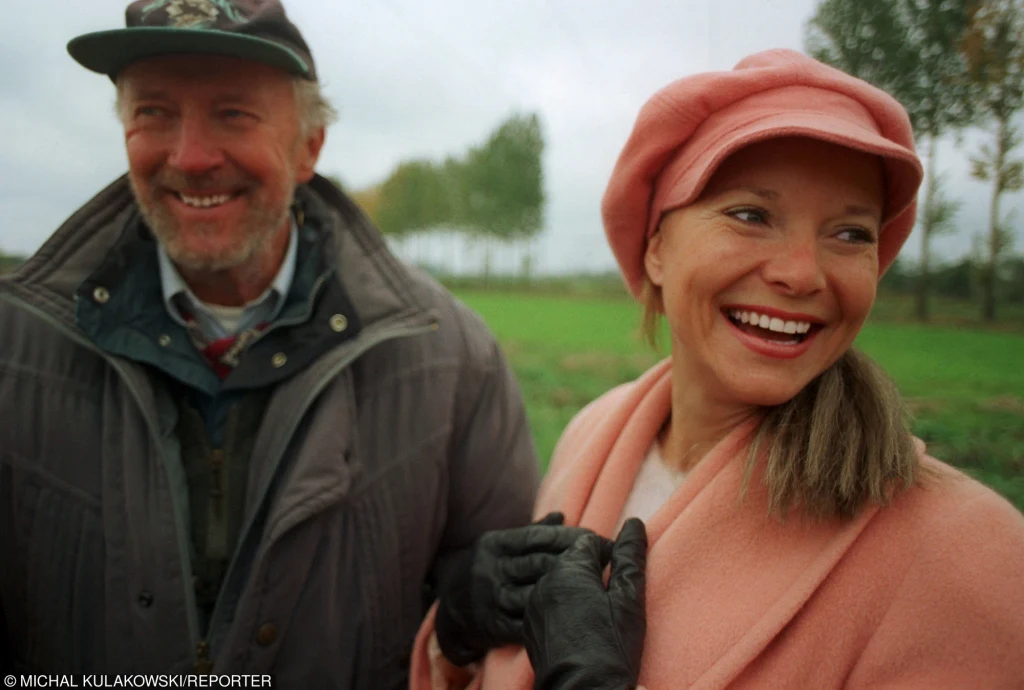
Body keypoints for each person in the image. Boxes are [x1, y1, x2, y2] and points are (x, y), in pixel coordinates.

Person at [0, 0, 596, 685]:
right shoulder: (13, 348)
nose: (190, 157)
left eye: (234, 114)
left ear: (309, 145)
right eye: (154, 112)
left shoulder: (453, 359)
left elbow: (483, 615)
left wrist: (467, 604)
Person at [408, 49, 1024, 689]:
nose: (802, 272)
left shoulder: (971, 558)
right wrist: (458, 633)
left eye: (849, 234)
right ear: (656, 250)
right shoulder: (592, 434)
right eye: (751, 215)